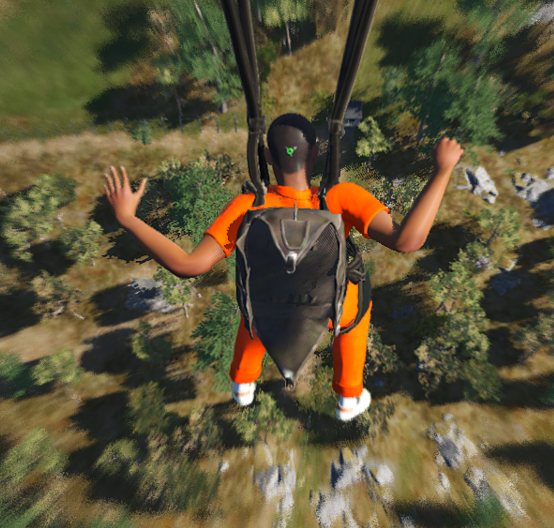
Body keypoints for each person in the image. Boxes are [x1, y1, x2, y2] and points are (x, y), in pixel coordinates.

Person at [103, 112, 463, 421]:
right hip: (332, 309)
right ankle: (348, 396)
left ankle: (243, 380)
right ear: (317, 154)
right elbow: (407, 241)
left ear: (266, 157)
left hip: (269, 306)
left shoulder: (248, 205)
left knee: (256, 304)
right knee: (356, 309)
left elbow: (188, 265)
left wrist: (129, 218)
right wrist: (442, 170)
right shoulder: (341, 197)